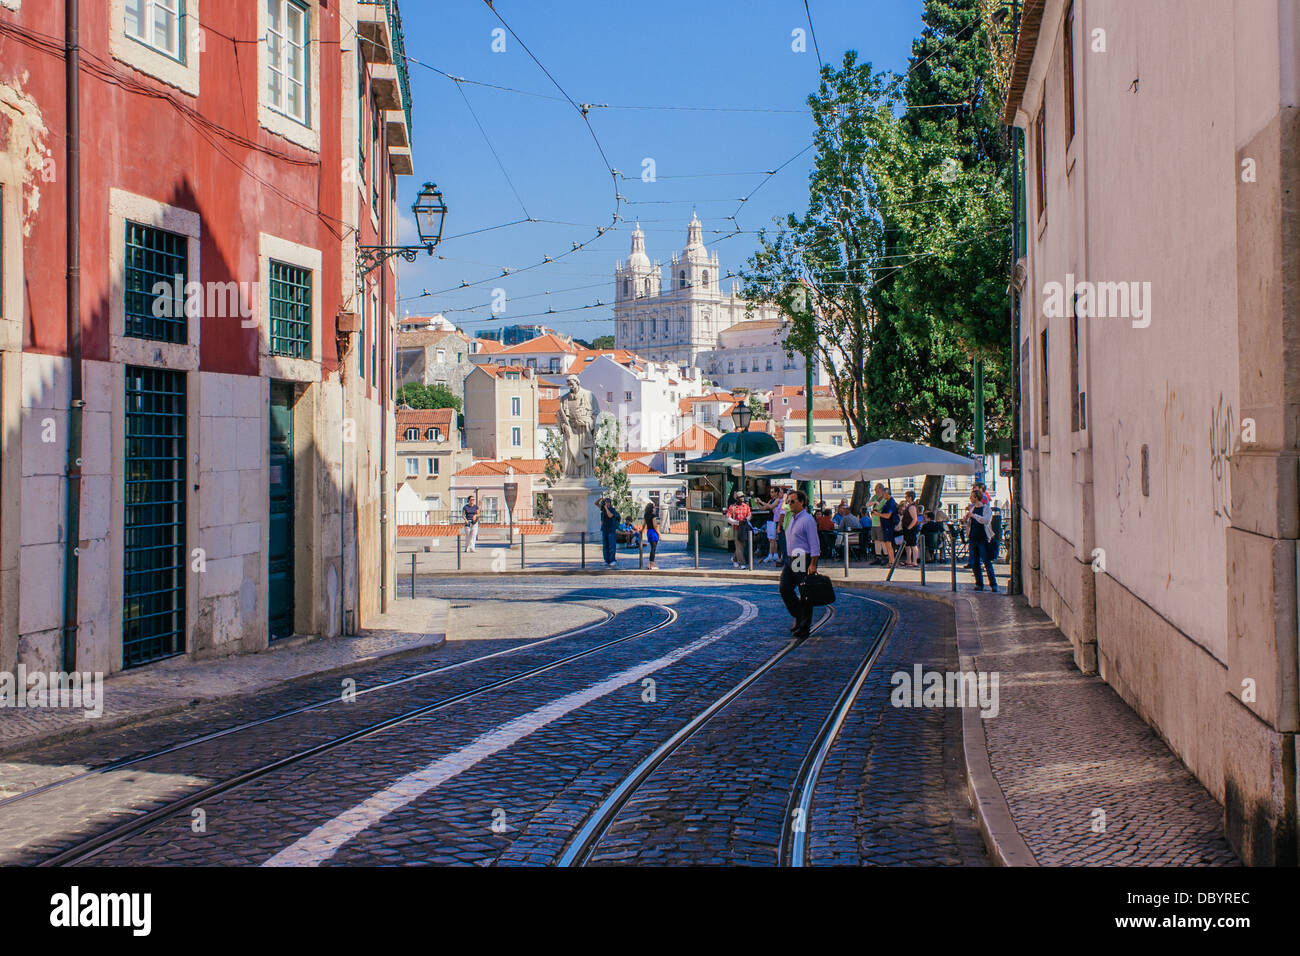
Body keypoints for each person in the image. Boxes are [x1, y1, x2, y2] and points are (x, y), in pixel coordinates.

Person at [778, 489, 820, 641]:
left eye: (793, 501)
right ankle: (799, 616)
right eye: (788, 501)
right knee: (785, 589)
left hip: (801, 558)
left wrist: (813, 563)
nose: (790, 504)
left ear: (802, 502)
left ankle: (804, 627)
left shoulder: (807, 520)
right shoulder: (792, 518)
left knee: (805, 594)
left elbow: (814, 543)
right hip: (791, 559)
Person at [964, 487, 998, 592]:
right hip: (973, 538)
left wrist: (973, 515)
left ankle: (993, 584)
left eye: (972, 497)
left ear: (976, 498)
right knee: (975, 562)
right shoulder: (972, 508)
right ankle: (979, 584)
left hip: (983, 538)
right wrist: (966, 520)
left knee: (986, 562)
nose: (970, 498)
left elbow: (986, 520)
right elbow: (969, 524)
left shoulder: (986, 509)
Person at [871, 484, 898, 567]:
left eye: (883, 494)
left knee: (888, 544)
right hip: (885, 525)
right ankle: (891, 561)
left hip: (888, 526)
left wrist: (878, 514)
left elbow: (888, 515)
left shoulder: (890, 502)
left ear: (886, 494)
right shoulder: (888, 502)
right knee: (887, 544)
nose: (882, 496)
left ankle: (892, 562)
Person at [725, 490, 752, 569]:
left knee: (742, 545)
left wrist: (746, 519)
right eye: (740, 497)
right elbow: (728, 517)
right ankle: (742, 563)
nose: (742, 498)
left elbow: (749, 515)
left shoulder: (746, 506)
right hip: (736, 528)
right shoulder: (732, 507)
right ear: (737, 498)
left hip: (744, 527)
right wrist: (737, 522)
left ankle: (734, 558)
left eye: (743, 496)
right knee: (738, 545)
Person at [761, 486, 783, 564]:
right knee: (771, 539)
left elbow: (770, 506)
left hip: (774, 520)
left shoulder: (777, 500)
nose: (771, 493)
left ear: (777, 493)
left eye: (773, 492)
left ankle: (771, 555)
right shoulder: (771, 500)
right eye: (771, 492)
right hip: (770, 520)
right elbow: (764, 508)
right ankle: (774, 554)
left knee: (772, 539)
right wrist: (758, 503)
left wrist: (761, 502)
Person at [899, 491, 920, 567]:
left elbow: (914, 519)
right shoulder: (909, 506)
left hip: (911, 529)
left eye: (906, 496)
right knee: (907, 545)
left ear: (910, 497)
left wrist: (909, 528)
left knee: (913, 545)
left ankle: (914, 561)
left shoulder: (912, 507)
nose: (905, 498)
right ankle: (908, 560)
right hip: (907, 528)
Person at [599, 497, 619, 568]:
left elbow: (610, 515)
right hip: (605, 529)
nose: (607, 504)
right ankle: (606, 560)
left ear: (610, 503)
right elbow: (596, 503)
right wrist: (601, 499)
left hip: (611, 530)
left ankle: (612, 560)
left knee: (611, 546)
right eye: (606, 502)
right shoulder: (603, 509)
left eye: (608, 502)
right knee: (605, 546)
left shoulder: (612, 510)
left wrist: (606, 508)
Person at [644, 499, 660, 570]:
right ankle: (651, 564)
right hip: (653, 532)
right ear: (652, 508)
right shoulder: (653, 516)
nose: (655, 509)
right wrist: (659, 534)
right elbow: (655, 525)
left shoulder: (646, 515)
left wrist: (641, 530)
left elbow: (644, 524)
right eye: (654, 507)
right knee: (653, 549)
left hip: (648, 532)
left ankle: (650, 564)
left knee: (652, 548)